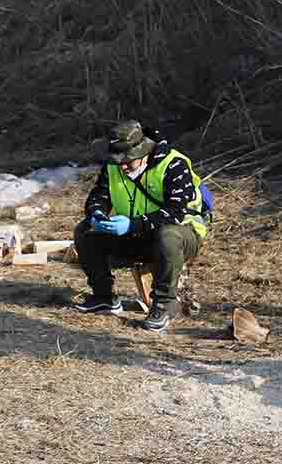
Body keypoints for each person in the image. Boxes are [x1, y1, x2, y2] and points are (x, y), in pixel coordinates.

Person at [70, 120, 211, 332]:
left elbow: (175, 213)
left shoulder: (174, 165)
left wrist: (133, 224)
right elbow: (98, 197)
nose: (122, 166)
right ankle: (103, 297)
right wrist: (97, 214)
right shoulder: (114, 166)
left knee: (168, 235)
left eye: (128, 161)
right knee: (85, 231)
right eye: (118, 160)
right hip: (137, 235)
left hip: (181, 237)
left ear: (144, 152)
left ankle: (163, 304)